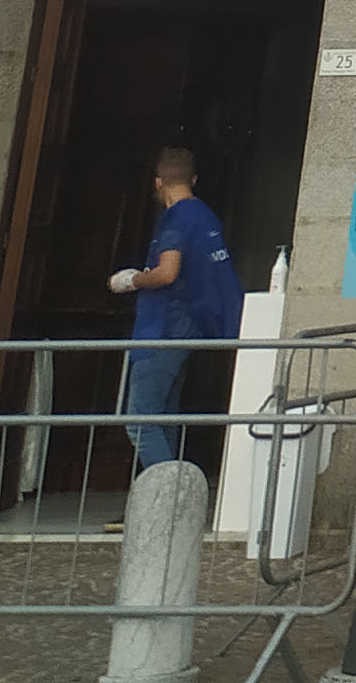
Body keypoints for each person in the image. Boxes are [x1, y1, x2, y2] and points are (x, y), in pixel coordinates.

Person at [110, 146, 243, 478]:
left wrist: (131, 280)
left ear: (157, 182)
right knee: (162, 420)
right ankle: (165, 502)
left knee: (140, 423)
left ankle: (170, 499)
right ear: (193, 179)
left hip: (161, 330)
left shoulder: (174, 220)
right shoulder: (205, 216)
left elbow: (168, 272)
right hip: (188, 328)